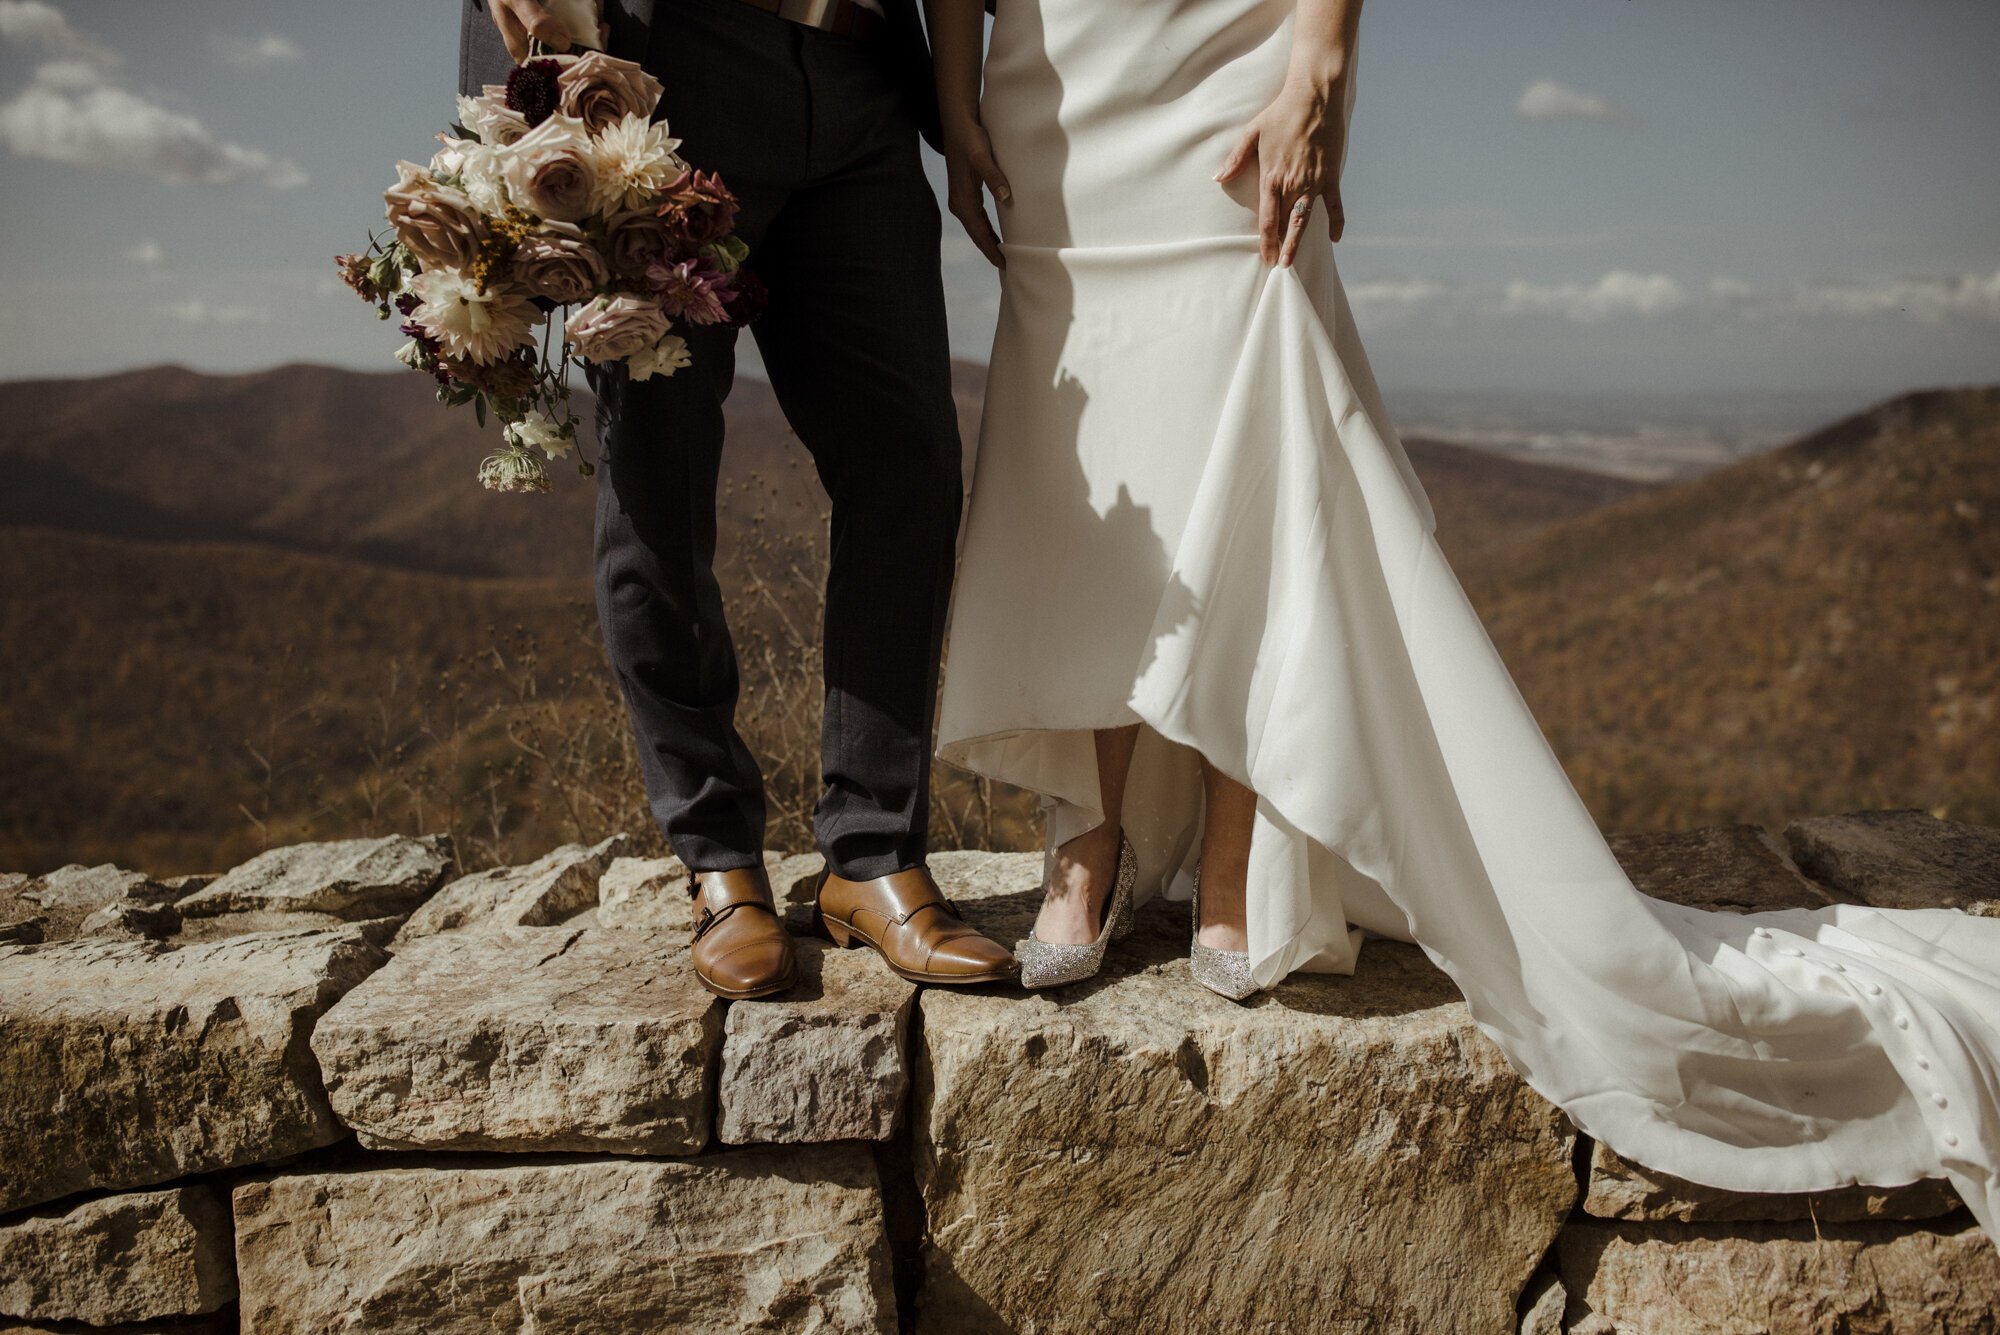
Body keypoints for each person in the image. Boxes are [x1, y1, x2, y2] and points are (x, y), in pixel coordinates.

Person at [925, 0, 2000, 1241]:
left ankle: (1236, 842)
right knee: (1094, 440)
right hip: (1055, 70)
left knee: (1239, 394)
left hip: (1224, 48)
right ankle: (1091, 833)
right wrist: (953, 84)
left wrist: (1319, 59)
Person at [462, 0, 1019, 996]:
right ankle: (718, 859)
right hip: (662, 74)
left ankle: (874, 854)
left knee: (909, 463)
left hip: (859, 77)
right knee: (659, 480)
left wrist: (958, 102)